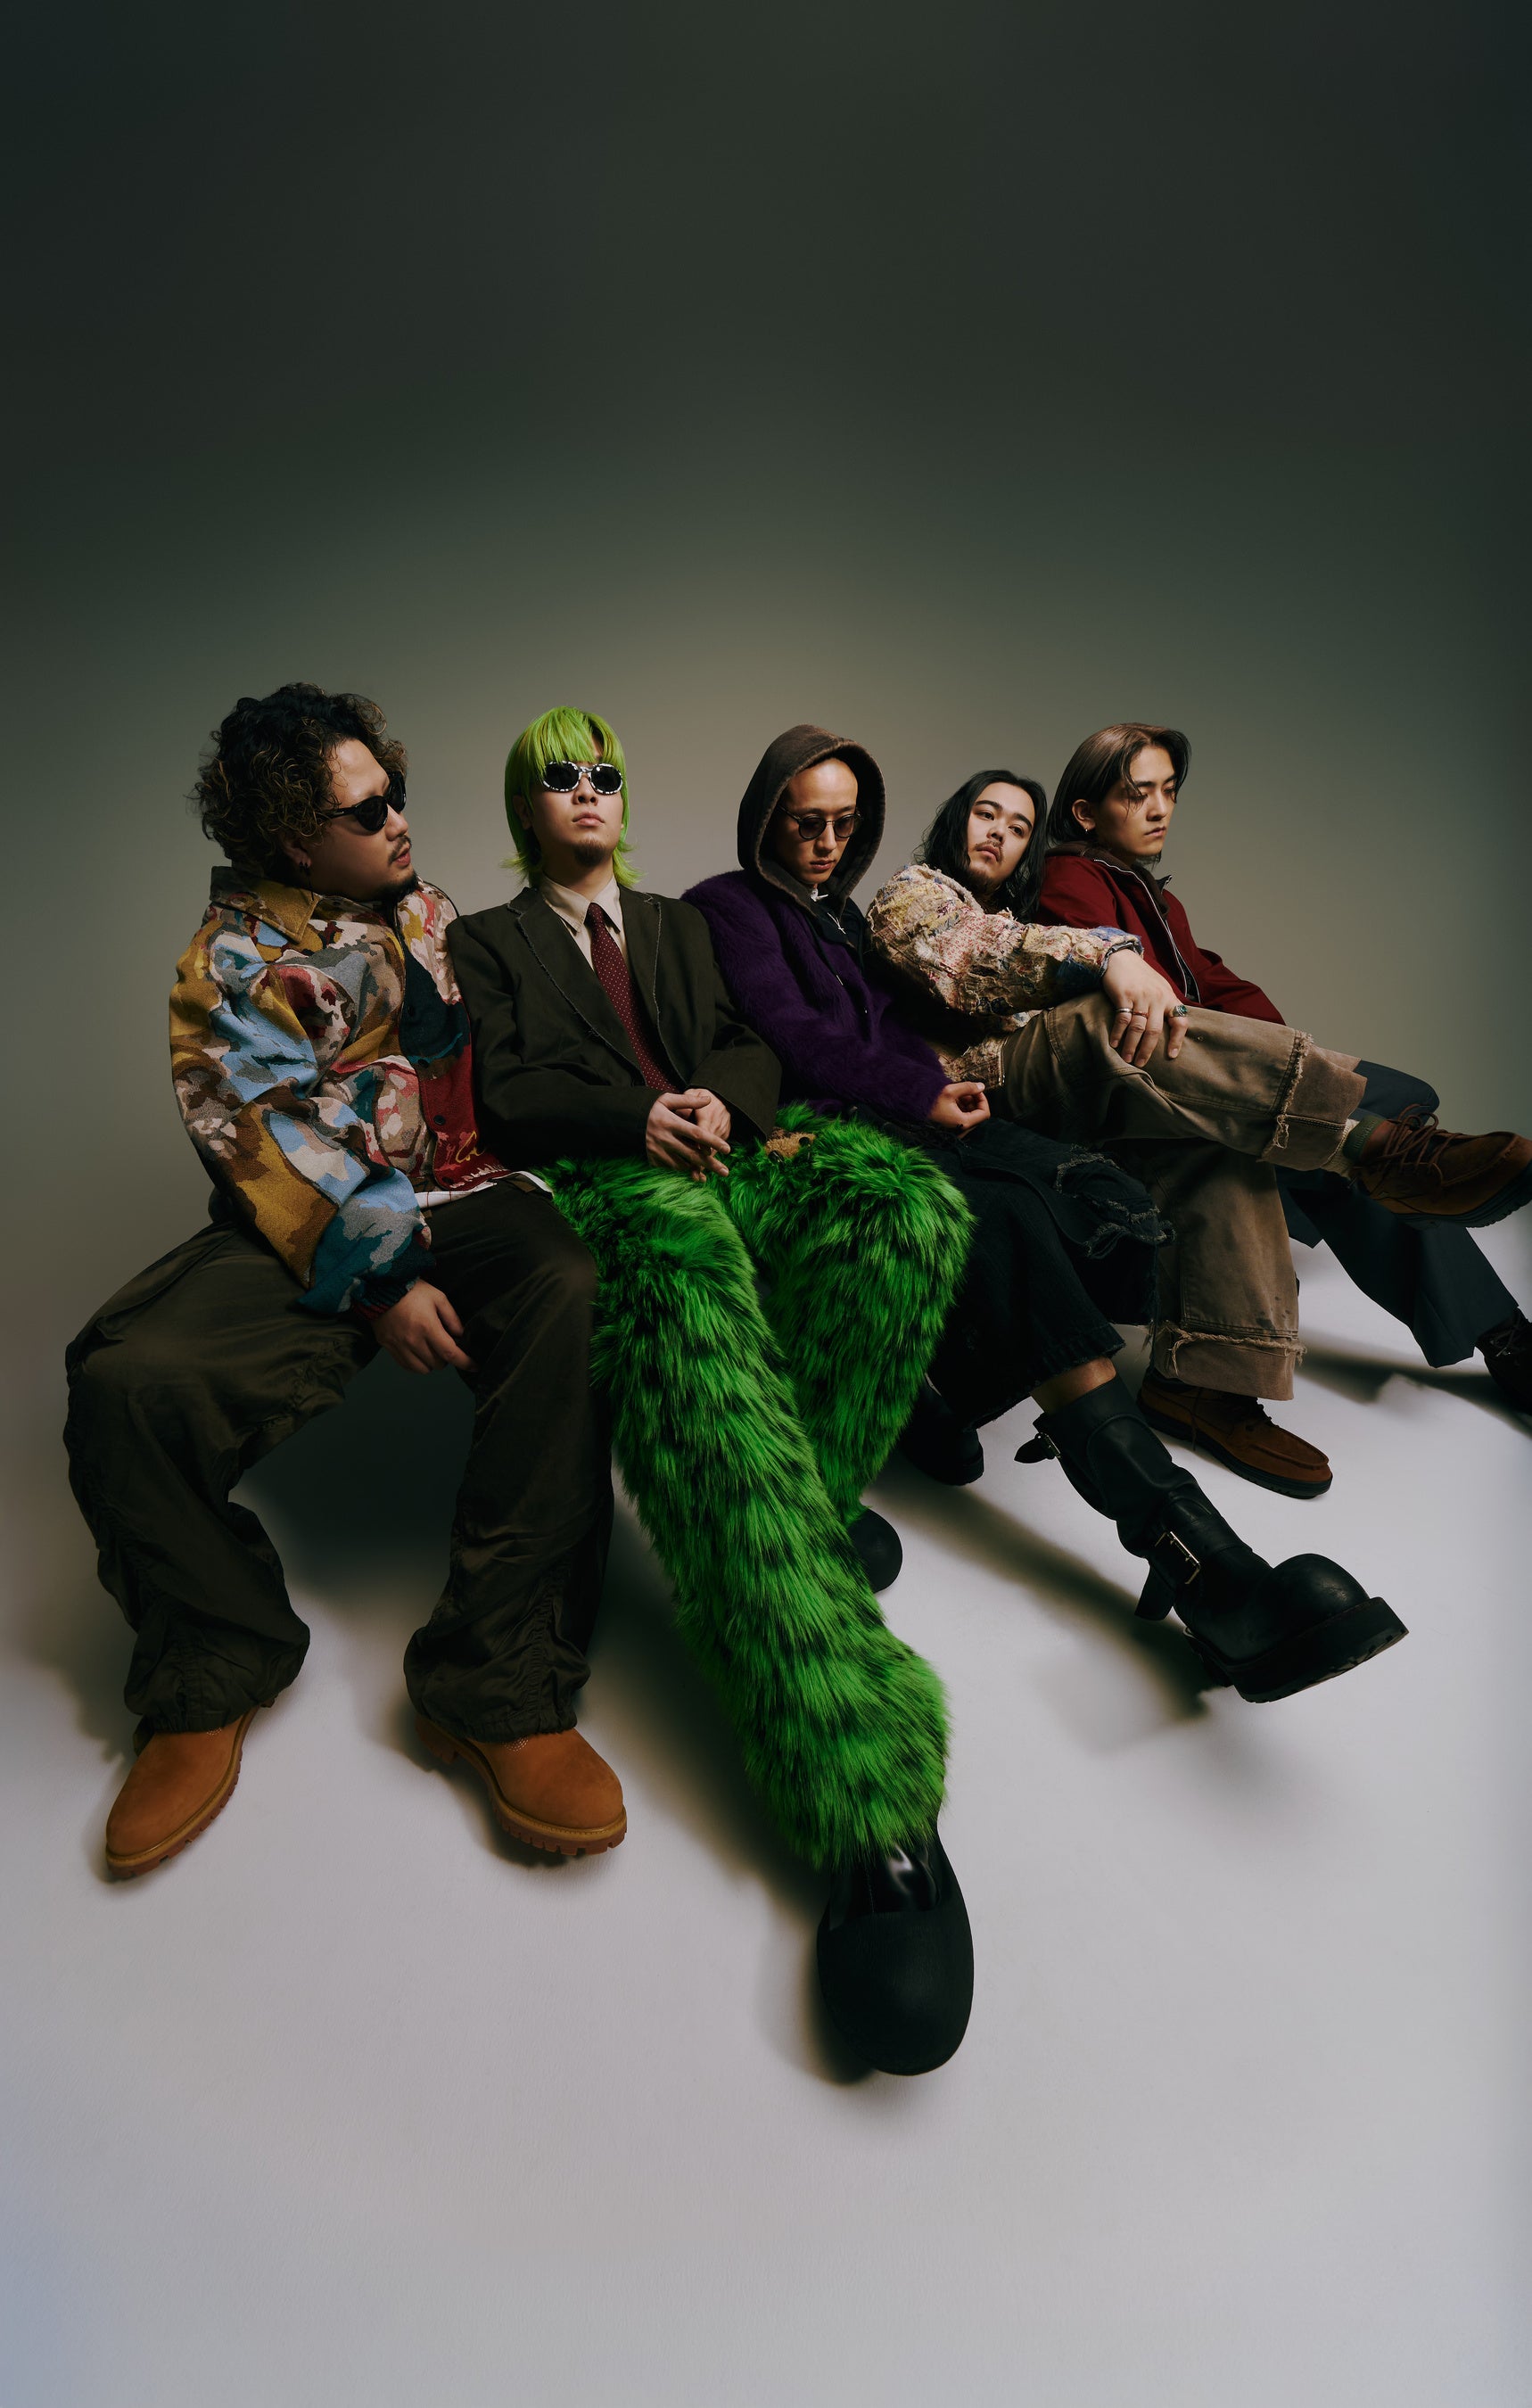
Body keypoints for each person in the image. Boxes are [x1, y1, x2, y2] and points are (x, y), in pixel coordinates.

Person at [447, 707, 976, 2076]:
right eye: (557, 778)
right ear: (523, 806)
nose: (586, 792)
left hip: (722, 1150)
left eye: (603, 773)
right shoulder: (485, 941)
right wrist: (637, 1120)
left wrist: (716, 1107)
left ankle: (801, 1520)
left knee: (904, 1209)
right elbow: (504, 1091)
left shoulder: (678, 923)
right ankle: (868, 1804)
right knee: (694, 1316)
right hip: (604, 1188)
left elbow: (742, 1042)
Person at [688, 727, 1406, 1709]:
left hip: (909, 1117)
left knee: (1082, 1191)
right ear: (765, 815)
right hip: (823, 1138)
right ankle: (1202, 1563)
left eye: (844, 824)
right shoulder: (727, 905)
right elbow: (793, 1034)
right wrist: (920, 1091)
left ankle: (977, 1411)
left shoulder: (842, 917)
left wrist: (933, 1084)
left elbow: (889, 1026)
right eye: (803, 822)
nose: (824, 843)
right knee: (1003, 1223)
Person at [65, 683, 622, 1883]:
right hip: (316, 1223)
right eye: (367, 812)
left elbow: (507, 1052)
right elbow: (258, 1135)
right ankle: (210, 1664)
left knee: (568, 1291)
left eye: (396, 793)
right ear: (291, 838)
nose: (399, 821)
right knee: (128, 1380)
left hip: (466, 1194)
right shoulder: (229, 961)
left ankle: (496, 1682)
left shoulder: (426, 910)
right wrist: (381, 1283)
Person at [869, 768, 1532, 1503]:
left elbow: (1212, 986)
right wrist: (1112, 956)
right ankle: (1366, 1148)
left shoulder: (1042, 908)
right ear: (956, 820)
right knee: (1111, 1021)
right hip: (984, 1094)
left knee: (1211, 1138)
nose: (999, 833)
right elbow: (975, 957)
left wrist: (1248, 1061)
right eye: (985, 815)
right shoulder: (915, 894)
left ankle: (1202, 1383)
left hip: (1070, 1097)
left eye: (1019, 826)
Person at [1036, 723, 1532, 1439]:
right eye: (1137, 794)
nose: (1160, 808)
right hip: (1139, 1113)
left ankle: (1502, 1331)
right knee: (1367, 1144)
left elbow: (1218, 985)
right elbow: (1115, 990)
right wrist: (1289, 1080)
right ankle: (1501, 1332)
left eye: (1169, 791)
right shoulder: (1070, 879)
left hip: (1202, 1092)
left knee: (1370, 1155)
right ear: (1085, 813)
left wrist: (1294, 1063)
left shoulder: (1154, 898)